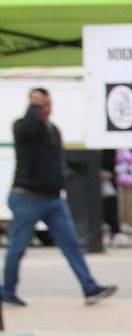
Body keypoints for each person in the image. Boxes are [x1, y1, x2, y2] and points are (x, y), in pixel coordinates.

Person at [3, 88, 117, 307]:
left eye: (46, 104)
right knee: (17, 247)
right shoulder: (23, 126)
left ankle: (89, 287)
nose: (46, 109)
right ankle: (7, 290)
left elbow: (57, 159)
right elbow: (28, 128)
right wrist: (32, 109)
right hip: (27, 197)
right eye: (40, 105)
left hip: (53, 199)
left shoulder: (53, 130)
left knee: (71, 244)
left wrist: (65, 177)